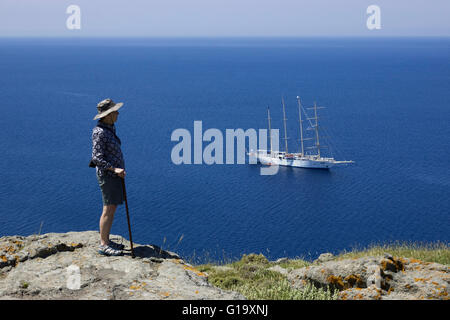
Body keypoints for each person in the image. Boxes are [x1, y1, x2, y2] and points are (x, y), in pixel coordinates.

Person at [90, 98, 126, 256]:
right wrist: (114, 169)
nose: (118, 113)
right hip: (108, 175)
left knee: (112, 207)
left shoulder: (110, 128)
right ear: (108, 115)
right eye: (115, 111)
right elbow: (96, 158)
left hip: (114, 175)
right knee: (108, 208)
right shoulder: (99, 132)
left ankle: (106, 240)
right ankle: (104, 244)